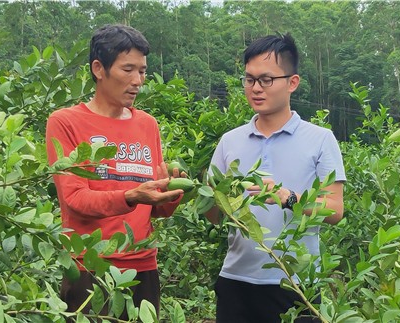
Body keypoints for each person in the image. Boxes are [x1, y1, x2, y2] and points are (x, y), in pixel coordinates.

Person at [45, 24, 184, 319]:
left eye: (142, 72)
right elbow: (75, 199)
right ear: (99, 68)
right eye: (128, 70)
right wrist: (132, 195)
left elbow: (153, 208)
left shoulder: (147, 124)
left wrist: (171, 195)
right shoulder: (66, 122)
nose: (138, 81)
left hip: (143, 266)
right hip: (90, 266)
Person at [206, 33, 346, 323]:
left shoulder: (320, 140)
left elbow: (334, 209)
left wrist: (288, 198)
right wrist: (203, 194)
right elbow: (213, 216)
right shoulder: (230, 141)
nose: (256, 88)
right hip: (236, 282)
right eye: (249, 79)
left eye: (266, 80)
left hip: (295, 284)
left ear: (292, 82)